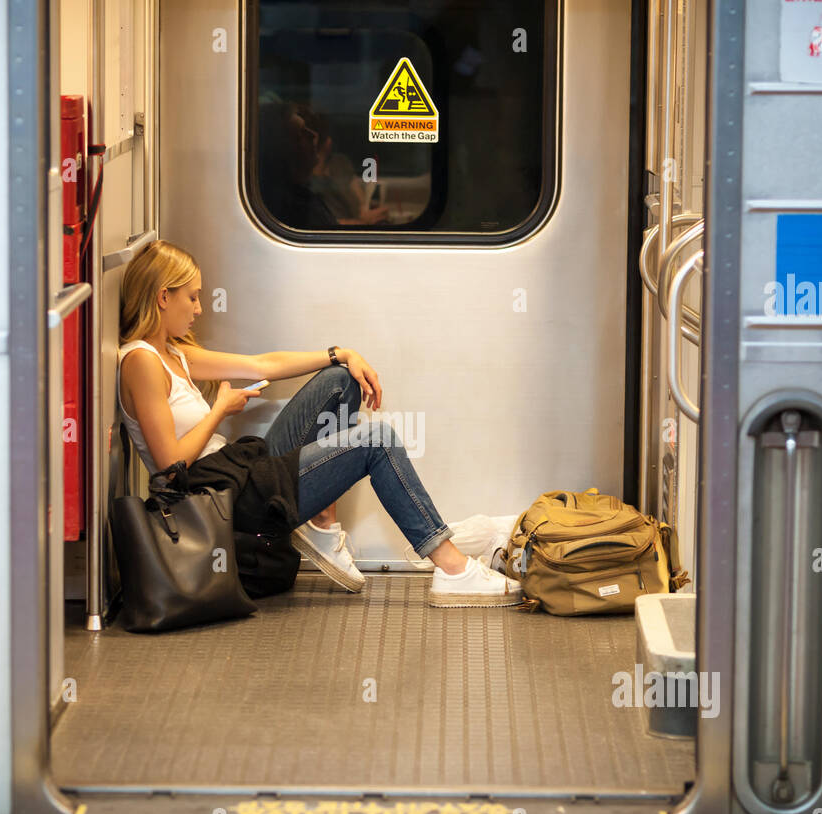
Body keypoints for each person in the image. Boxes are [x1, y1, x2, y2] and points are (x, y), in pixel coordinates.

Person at [116, 239, 523, 607]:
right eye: (193, 297)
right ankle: (451, 568)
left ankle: (321, 526)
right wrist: (220, 410)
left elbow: (262, 365)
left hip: (238, 475)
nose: (200, 308)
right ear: (163, 297)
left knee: (339, 379)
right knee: (377, 438)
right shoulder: (141, 363)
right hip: (220, 501)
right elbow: (170, 465)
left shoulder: (173, 354)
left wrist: (340, 353)